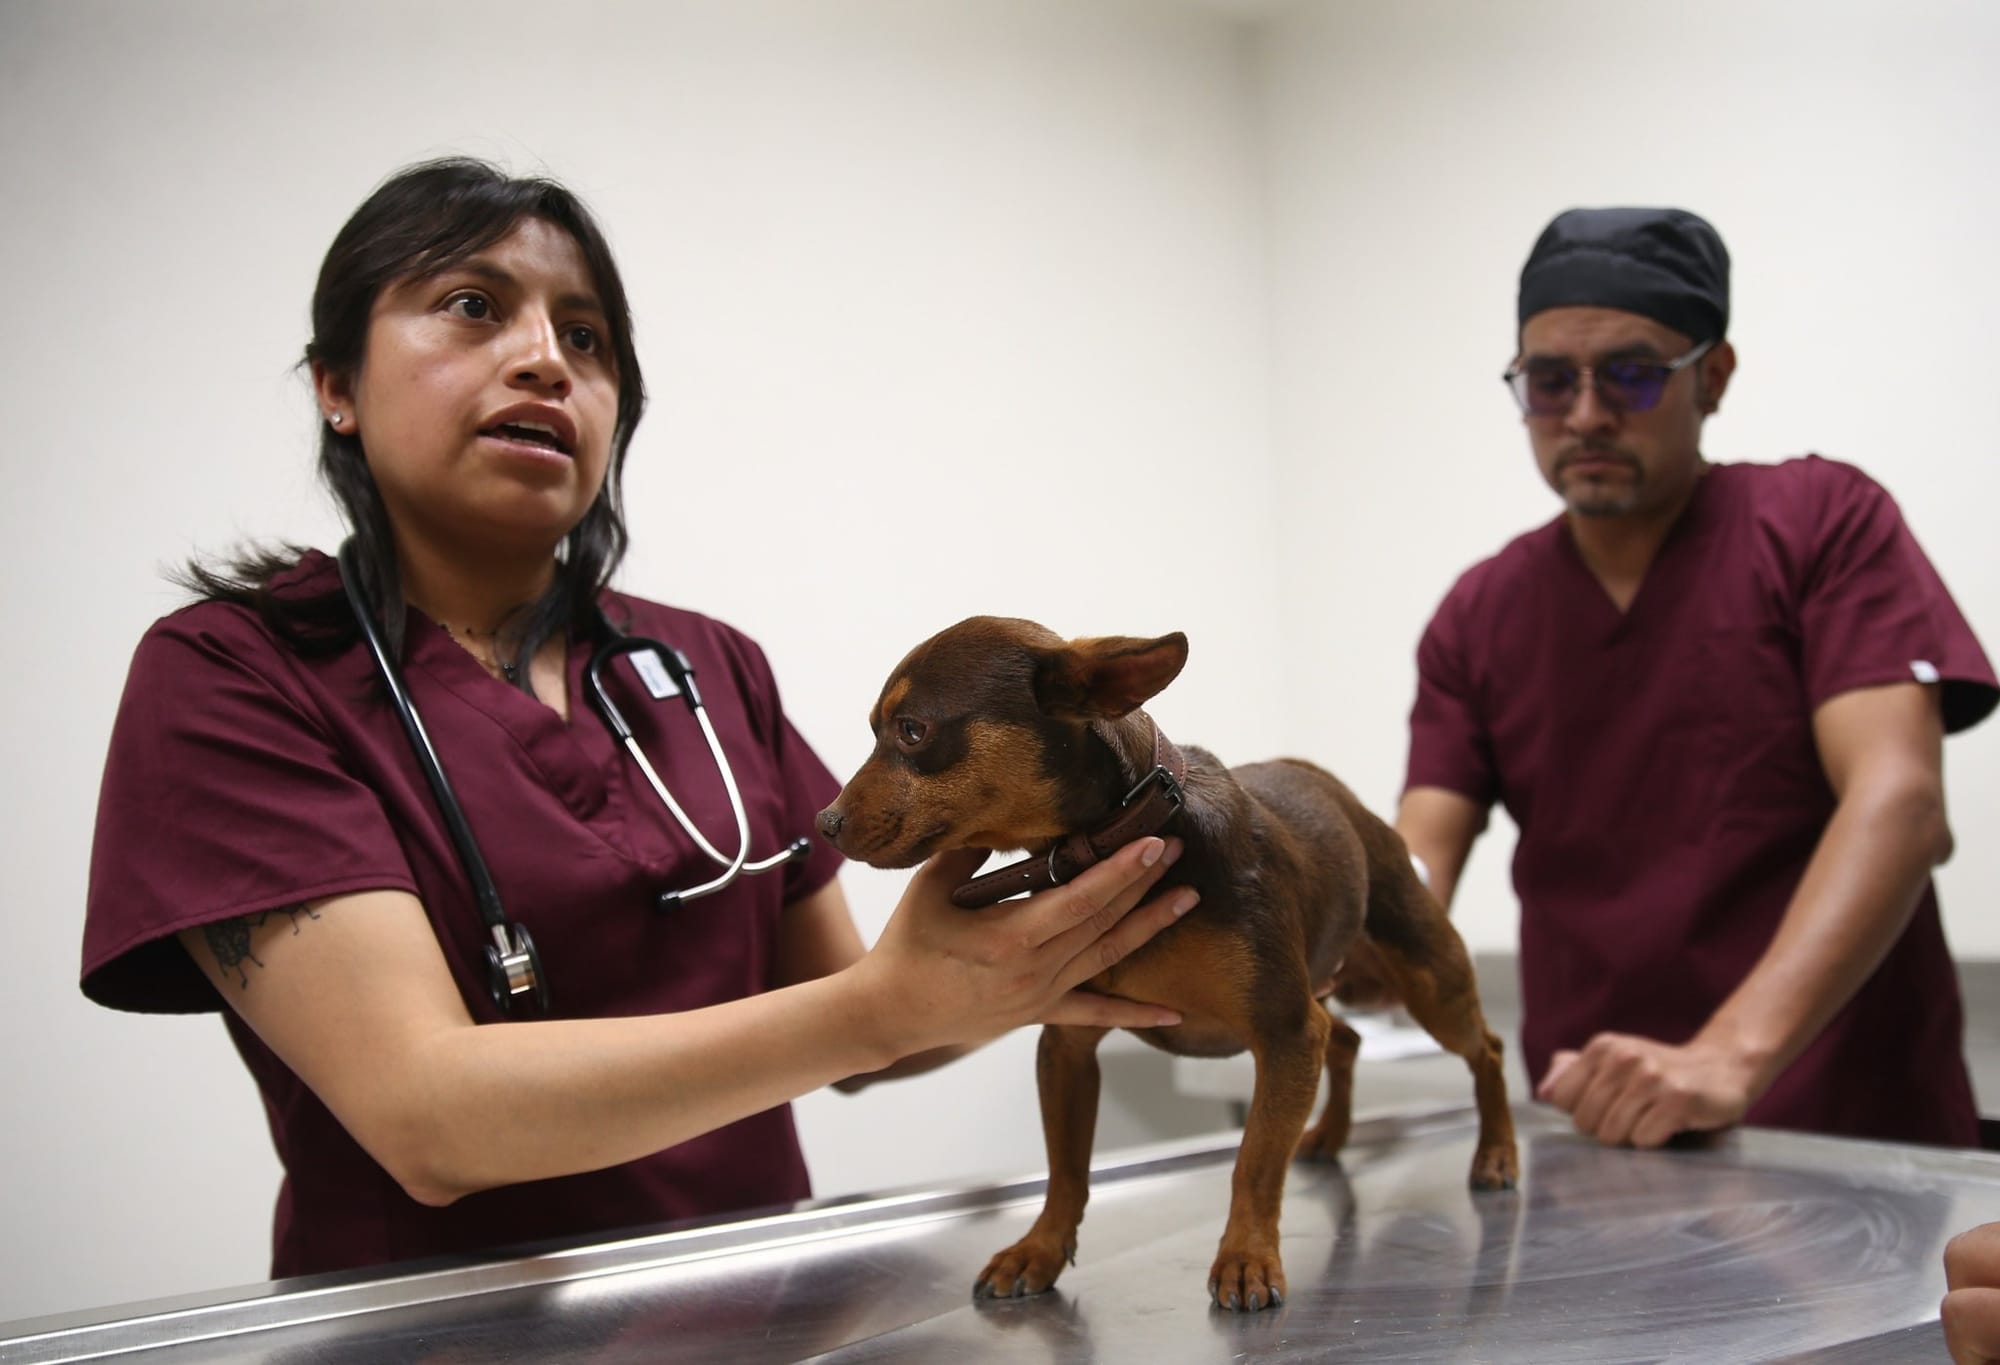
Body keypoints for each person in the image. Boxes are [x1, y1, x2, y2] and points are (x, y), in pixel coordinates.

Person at [79, 157, 1197, 1280]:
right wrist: (881, 1009)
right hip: (442, 1339)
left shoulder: (709, 666)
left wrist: (1073, 959)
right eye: (472, 307)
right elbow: (427, 1121)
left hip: (766, 1309)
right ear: (336, 384)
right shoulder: (236, 677)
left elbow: (852, 1019)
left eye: (587, 339)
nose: (542, 361)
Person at [1395, 206, 1997, 1150]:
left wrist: (1729, 1053)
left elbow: (1901, 800)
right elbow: (1419, 862)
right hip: (1601, 1138)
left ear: (1711, 377)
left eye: (1631, 375)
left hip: (1847, 1136)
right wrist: (1321, 937)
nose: (1586, 414)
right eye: (1550, 382)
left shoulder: (1818, 524)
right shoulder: (1480, 612)